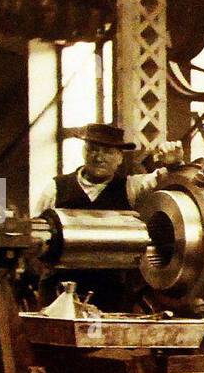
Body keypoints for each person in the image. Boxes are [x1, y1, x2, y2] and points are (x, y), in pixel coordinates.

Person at [30, 123, 178, 311]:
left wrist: (174, 163)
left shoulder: (131, 188)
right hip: (59, 295)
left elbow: (165, 178)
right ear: (84, 152)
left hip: (111, 298)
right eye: (93, 150)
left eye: (107, 151)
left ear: (119, 157)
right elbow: (35, 239)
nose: (99, 157)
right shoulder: (56, 188)